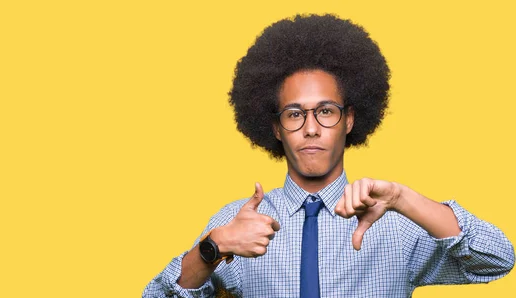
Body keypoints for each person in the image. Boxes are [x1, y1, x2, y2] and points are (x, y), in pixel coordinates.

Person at [142, 14, 514, 298]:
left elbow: (497, 258)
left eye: (326, 111)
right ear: (275, 127)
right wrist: (214, 247)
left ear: (349, 119)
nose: (311, 128)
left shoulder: (397, 224)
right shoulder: (239, 225)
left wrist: (403, 199)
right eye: (294, 113)